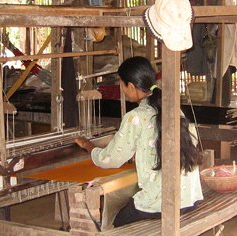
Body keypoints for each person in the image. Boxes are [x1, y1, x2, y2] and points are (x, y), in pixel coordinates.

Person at [75, 56, 204, 227]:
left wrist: (88, 145)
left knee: (116, 223)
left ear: (131, 86)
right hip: (189, 198)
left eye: (122, 85)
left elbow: (109, 159)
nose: (123, 90)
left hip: (162, 205)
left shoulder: (135, 117)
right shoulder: (172, 108)